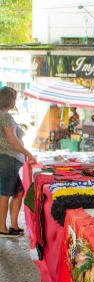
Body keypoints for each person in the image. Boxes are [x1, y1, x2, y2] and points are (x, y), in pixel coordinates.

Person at [0, 86, 36, 237]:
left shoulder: (5, 115)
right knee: (6, 193)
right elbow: (13, 140)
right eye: (15, 98)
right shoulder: (5, 116)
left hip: (11, 158)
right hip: (9, 158)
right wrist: (28, 153)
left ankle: (14, 224)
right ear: (9, 99)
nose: (16, 101)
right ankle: (2, 227)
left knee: (18, 192)